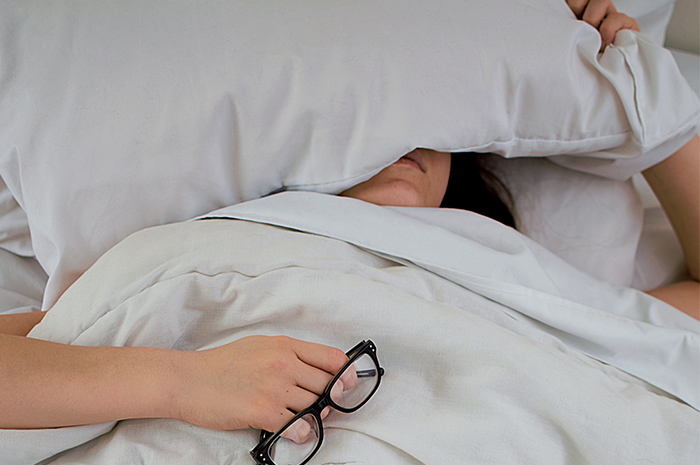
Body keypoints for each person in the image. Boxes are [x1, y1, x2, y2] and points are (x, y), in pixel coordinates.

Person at [0, 0, 695, 441]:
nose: (409, 143)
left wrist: (634, 82)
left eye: (433, 127)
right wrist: (185, 381)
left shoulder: (509, 274)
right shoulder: (215, 249)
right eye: (372, 132)